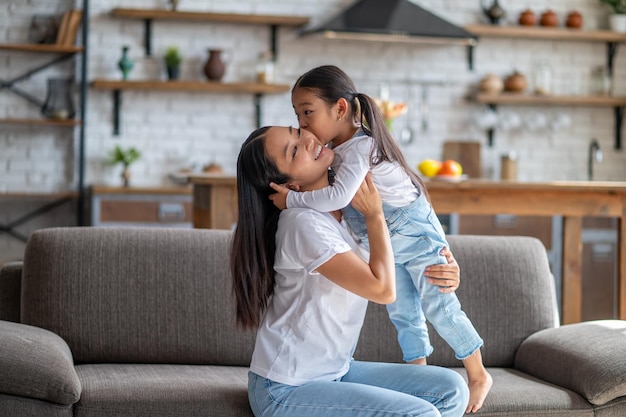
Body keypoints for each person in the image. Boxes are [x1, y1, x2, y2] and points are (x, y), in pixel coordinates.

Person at [268, 65, 492, 413]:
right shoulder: (309, 218)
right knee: (403, 311)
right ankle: (418, 371)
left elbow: (343, 199)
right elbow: (378, 274)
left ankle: (477, 374)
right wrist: (369, 216)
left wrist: (444, 256)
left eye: (307, 114)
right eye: (298, 119)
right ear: (290, 180)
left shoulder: (356, 153)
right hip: (294, 379)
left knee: (438, 307)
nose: (304, 128)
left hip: (409, 229)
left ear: (340, 109)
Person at [231, 125, 470, 417]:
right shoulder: (302, 223)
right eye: (294, 151)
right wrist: (375, 214)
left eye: (297, 132)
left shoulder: (346, 209)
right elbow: (382, 289)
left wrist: (444, 265)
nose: (307, 140)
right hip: (285, 388)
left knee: (451, 389)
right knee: (420, 414)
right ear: (289, 186)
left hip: (337, 371)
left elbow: (408, 248)